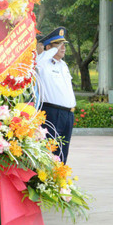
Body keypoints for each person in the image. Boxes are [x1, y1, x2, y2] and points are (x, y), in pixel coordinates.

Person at [37, 27, 76, 163]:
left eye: (64, 44)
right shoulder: (42, 63)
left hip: (67, 114)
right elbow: (39, 60)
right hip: (52, 112)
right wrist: (49, 49)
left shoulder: (63, 65)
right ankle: (47, 181)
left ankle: (59, 180)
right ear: (48, 47)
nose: (62, 48)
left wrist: (55, 46)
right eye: (58, 44)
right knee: (50, 150)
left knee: (63, 151)